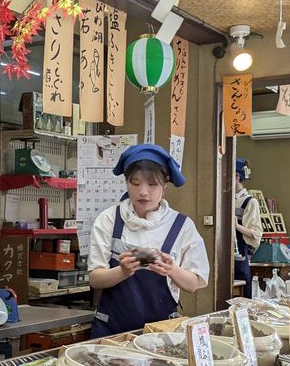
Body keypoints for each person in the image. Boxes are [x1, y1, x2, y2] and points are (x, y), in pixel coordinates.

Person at [88, 143, 209, 337]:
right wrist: (123, 271)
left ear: (165, 185)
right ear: (127, 183)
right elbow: (95, 279)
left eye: (152, 184)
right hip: (111, 331)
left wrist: (171, 269)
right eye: (135, 183)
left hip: (161, 333)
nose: (143, 192)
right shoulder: (109, 219)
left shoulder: (181, 226)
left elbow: (193, 284)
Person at [234, 158, 262, 293]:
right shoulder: (224, 199)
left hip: (239, 256)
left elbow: (256, 233)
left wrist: (236, 226)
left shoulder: (250, 202)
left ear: (236, 176)